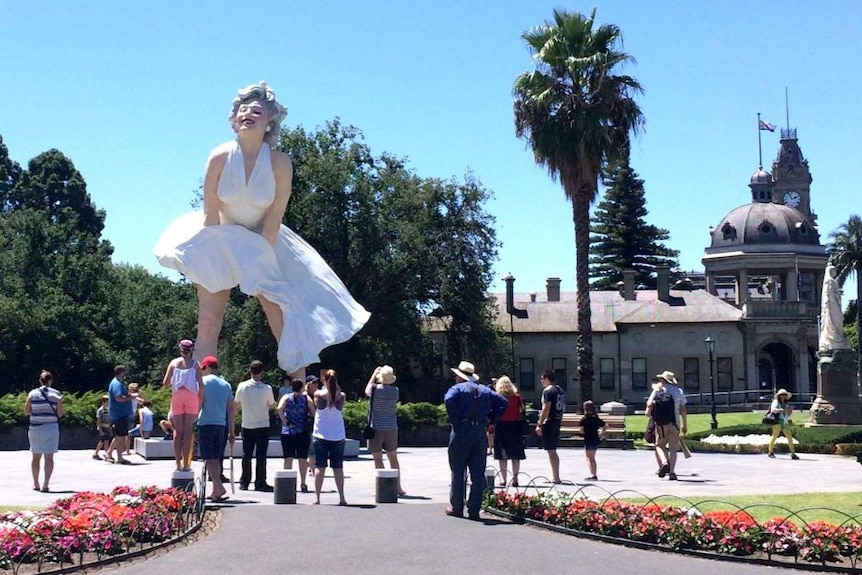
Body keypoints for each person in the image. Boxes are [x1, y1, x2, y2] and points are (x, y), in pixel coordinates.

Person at [153, 81, 370, 375]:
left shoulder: (280, 163)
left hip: (263, 241)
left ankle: (299, 387)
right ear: (234, 118)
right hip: (220, 236)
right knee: (208, 321)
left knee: (281, 316)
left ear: (269, 121)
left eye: (256, 110)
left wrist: (257, 261)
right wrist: (217, 258)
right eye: (243, 109)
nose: (248, 114)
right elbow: (211, 212)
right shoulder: (219, 156)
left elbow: (274, 217)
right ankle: (203, 388)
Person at [443, 361, 508, 520]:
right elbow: (503, 402)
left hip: (461, 430)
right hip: (479, 431)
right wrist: (492, 418)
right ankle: (474, 509)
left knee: (458, 470)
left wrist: (455, 419)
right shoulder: (484, 389)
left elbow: (448, 400)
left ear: (459, 376)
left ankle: (457, 507)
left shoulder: (456, 389)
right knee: (478, 473)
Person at [162, 339, 205, 471]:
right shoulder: (195, 365)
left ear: (180, 349)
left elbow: (165, 383)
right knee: (188, 432)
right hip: (192, 398)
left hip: (177, 397)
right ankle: (186, 463)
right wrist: (200, 403)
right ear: (192, 350)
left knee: (177, 431)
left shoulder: (174, 363)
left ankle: (177, 463)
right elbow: (201, 386)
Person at [198, 356, 236, 501]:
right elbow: (231, 409)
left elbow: (199, 402)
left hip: (206, 422)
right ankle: (216, 490)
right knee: (216, 458)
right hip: (221, 424)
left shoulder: (203, 382)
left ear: (207, 367)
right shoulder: (226, 384)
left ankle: (219, 486)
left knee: (209, 458)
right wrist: (232, 431)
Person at [364, 365, 405, 496]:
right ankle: (398, 487)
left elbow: (366, 390)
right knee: (393, 458)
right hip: (391, 427)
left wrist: (373, 374)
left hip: (376, 427)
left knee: (378, 459)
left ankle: (382, 485)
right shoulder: (395, 391)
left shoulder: (375, 389)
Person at [235, 359, 275, 491]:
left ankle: (244, 481)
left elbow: (237, 403)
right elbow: (271, 405)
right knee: (261, 455)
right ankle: (260, 482)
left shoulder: (242, 386)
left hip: (247, 423)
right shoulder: (267, 388)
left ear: (250, 371)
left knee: (246, 454)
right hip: (263, 424)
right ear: (262, 372)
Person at [312, 369, 348, 505]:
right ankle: (342, 497)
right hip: (337, 435)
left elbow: (317, 403)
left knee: (319, 467)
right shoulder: (341, 396)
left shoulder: (318, 395)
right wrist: (335, 386)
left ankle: (317, 497)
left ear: (324, 381)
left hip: (320, 434)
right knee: (338, 467)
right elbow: (336, 397)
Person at [645, 370, 688, 481]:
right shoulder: (679, 391)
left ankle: (664, 463)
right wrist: (684, 424)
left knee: (659, 445)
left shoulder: (657, 390)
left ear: (663, 380)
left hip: (661, 424)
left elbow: (649, 404)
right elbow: (683, 409)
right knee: (673, 449)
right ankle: (672, 472)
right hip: (675, 423)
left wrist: (648, 413)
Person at [24, 370, 63, 492]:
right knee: (49, 457)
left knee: (36, 457)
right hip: (51, 427)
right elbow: (60, 414)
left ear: (40, 381)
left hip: (35, 427)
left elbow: (26, 411)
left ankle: (36, 483)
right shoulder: (57, 395)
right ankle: (46, 484)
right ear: (50, 381)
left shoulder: (32, 394)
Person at [277, 378, 315, 492]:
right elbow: (313, 411)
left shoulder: (286, 397)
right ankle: (303, 483)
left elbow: (279, 408)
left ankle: (287, 483)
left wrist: (285, 422)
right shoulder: (306, 398)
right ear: (302, 387)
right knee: (302, 459)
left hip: (288, 431)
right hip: (302, 431)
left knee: (288, 458)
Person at [492, 375, 526, 487]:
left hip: (501, 426)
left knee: (502, 455)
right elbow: (522, 411)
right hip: (515, 426)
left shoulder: (497, 397)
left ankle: (503, 479)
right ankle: (515, 479)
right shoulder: (516, 397)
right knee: (515, 454)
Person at [534, 370, 565, 484]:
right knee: (552, 450)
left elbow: (546, 408)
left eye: (542, 378)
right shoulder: (559, 390)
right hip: (557, 420)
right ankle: (555, 475)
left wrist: (539, 424)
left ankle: (556, 477)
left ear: (547, 379)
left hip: (550, 421)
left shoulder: (548, 391)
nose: (541, 381)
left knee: (551, 450)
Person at [106, 365, 135, 465]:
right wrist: (129, 398)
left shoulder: (117, 382)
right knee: (120, 435)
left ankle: (120, 458)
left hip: (120, 413)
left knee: (120, 435)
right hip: (119, 414)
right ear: (122, 372)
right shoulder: (116, 384)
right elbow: (118, 398)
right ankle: (109, 453)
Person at [819, 263, 851, 353]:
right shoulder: (829, 281)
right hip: (832, 306)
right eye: (833, 270)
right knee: (834, 321)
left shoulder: (832, 281)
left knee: (839, 321)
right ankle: (834, 338)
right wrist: (835, 299)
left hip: (836, 305)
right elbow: (829, 295)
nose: (835, 272)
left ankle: (838, 338)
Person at [767, 388, 799, 460]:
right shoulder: (776, 402)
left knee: (790, 438)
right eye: (782, 395)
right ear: (779, 396)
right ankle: (770, 451)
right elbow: (773, 410)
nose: (783, 396)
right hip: (777, 422)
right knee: (774, 437)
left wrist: (789, 411)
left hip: (784, 422)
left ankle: (793, 453)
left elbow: (787, 415)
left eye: (785, 395)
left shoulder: (786, 404)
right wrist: (781, 410)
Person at [579, 400, 606, 481]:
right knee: (593, 458)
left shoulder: (584, 419)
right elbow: (606, 425)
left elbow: (581, 430)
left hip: (588, 439)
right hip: (595, 438)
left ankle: (592, 474)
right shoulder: (596, 418)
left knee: (588, 458)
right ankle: (594, 473)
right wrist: (601, 433)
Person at [304, 375, 320, 475]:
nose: (316, 385)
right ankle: (311, 466)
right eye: (314, 383)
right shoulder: (305, 396)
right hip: (307, 424)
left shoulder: (318, 395)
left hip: (316, 424)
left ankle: (312, 466)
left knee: (312, 448)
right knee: (309, 448)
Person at [93, 395, 111, 460]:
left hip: (107, 428)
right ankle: (98, 454)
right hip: (102, 428)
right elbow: (98, 420)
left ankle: (103, 453)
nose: (108, 403)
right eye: (107, 402)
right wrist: (99, 429)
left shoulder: (108, 409)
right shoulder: (100, 410)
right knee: (103, 441)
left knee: (106, 441)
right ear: (103, 402)